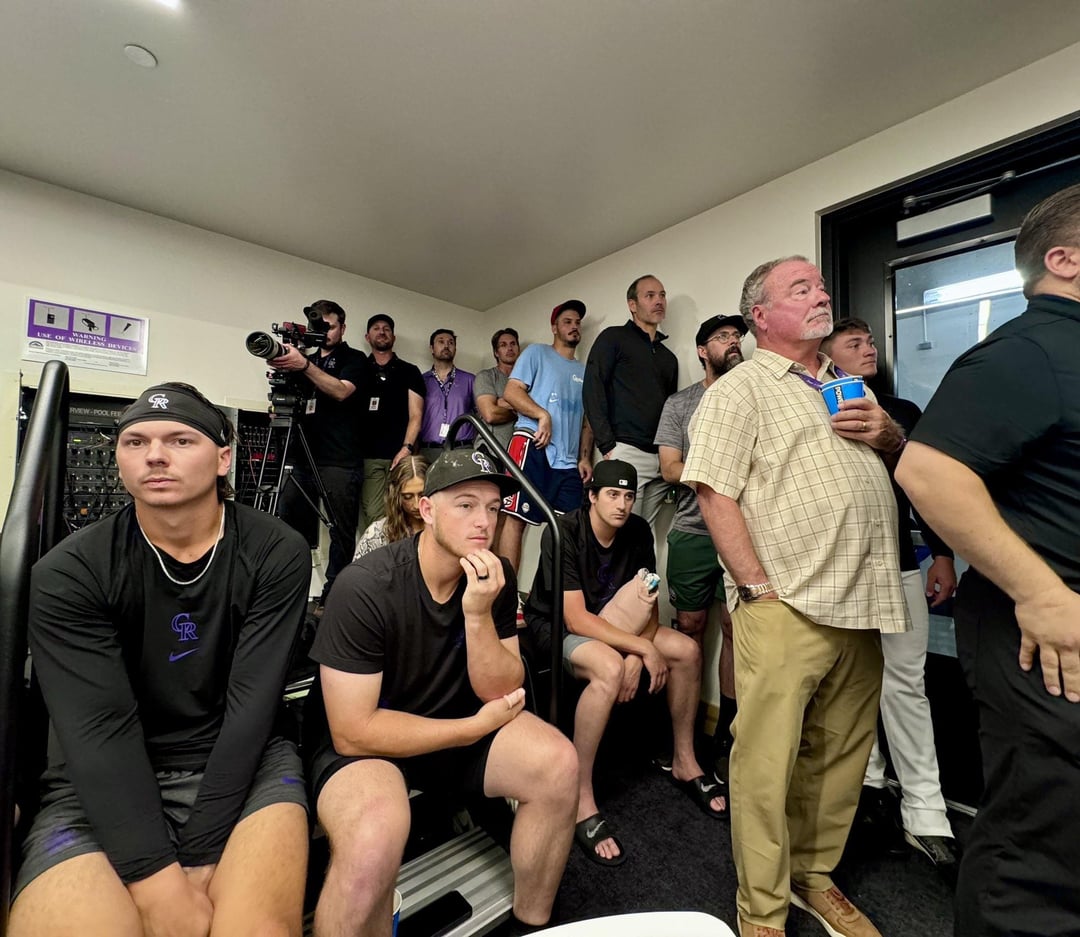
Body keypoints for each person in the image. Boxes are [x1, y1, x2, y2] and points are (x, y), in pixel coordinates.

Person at [10, 382, 311, 937]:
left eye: (179, 439)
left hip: (238, 765)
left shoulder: (276, 551)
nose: (154, 454)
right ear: (120, 460)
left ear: (224, 458)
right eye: (135, 441)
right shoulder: (69, 572)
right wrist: (158, 882)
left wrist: (198, 857)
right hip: (102, 779)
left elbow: (252, 707)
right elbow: (100, 729)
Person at [683, 256, 908, 937]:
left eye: (820, 286)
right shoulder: (740, 388)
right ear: (760, 314)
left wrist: (888, 432)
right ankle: (762, 911)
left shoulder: (846, 384)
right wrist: (757, 586)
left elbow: (893, 459)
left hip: (863, 603)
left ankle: (813, 875)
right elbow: (713, 491)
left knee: (839, 758)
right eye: (800, 288)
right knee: (765, 765)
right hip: (787, 605)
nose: (821, 295)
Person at [896, 183, 1080, 937]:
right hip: (1044, 625)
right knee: (1042, 843)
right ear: (1063, 259)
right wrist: (1041, 592)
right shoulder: (1030, 349)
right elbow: (928, 471)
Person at [304, 449, 578, 936]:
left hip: (455, 724)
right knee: (372, 840)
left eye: (493, 508)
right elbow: (352, 732)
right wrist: (471, 728)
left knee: (558, 764)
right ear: (426, 511)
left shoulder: (494, 574)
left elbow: (502, 686)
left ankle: (533, 922)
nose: (484, 522)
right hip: (372, 745)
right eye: (466, 505)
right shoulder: (365, 587)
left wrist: (477, 614)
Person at [524, 459, 726, 870]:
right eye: (612, 495)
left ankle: (685, 760)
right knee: (608, 668)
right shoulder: (564, 532)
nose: (621, 504)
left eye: (629, 496)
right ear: (593, 496)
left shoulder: (637, 531)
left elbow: (648, 599)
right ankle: (579, 796)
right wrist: (633, 650)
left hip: (620, 624)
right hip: (558, 627)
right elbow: (577, 618)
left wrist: (639, 650)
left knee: (686, 651)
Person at [821, 317, 961, 878]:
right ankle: (868, 792)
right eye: (854, 344)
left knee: (907, 684)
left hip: (903, 565)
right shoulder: (815, 413)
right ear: (829, 358)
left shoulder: (901, 415)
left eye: (870, 343)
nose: (868, 349)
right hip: (843, 573)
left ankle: (926, 816)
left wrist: (943, 553)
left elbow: (926, 486)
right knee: (850, 688)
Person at [653, 315, 745, 782]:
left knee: (736, 628)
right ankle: (681, 737)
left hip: (746, 534)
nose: (733, 343)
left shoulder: (754, 396)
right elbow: (670, 468)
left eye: (737, 337)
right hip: (693, 531)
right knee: (689, 628)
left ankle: (727, 731)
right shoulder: (681, 403)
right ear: (701, 350)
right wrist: (727, 472)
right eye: (722, 338)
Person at [270, 299, 369, 606]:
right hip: (300, 455)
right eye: (319, 326)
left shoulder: (356, 358)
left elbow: (341, 391)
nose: (324, 332)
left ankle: (333, 597)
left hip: (339, 459)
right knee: (290, 526)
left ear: (343, 328)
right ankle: (287, 591)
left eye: (331, 326)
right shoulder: (305, 358)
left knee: (340, 532)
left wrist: (304, 365)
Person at [500, 300, 594, 571]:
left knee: (567, 531)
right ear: (554, 327)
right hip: (532, 445)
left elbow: (588, 421)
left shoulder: (584, 371)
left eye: (577, 322)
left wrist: (585, 458)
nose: (574, 326)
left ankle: (553, 600)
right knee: (516, 519)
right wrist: (543, 415)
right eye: (568, 321)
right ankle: (508, 599)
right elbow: (512, 392)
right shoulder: (536, 353)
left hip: (567, 461)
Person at [583, 275, 678, 523]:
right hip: (624, 450)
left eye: (662, 295)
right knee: (617, 534)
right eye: (650, 295)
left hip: (660, 458)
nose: (659, 301)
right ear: (632, 304)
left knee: (642, 537)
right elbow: (593, 389)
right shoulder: (613, 338)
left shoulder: (669, 358)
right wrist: (607, 446)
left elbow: (671, 410)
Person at [357, 313, 426, 527]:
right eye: (376, 328)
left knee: (408, 512)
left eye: (386, 328)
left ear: (393, 337)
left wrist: (406, 448)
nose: (382, 332)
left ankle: (405, 557)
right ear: (368, 337)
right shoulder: (358, 368)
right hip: (369, 456)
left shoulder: (409, 371)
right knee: (373, 514)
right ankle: (378, 559)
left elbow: (416, 415)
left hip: (402, 455)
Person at [353, 455, 429, 559]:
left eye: (422, 495)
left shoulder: (447, 527)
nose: (416, 505)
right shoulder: (377, 534)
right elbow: (358, 573)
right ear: (395, 495)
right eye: (407, 497)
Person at [419, 329, 476, 464]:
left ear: (455, 349)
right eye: (441, 342)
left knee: (464, 486)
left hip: (462, 449)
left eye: (451, 343)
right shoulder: (421, 381)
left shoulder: (470, 380)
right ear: (432, 348)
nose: (446, 346)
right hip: (429, 451)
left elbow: (482, 414)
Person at [474, 327, 521, 452]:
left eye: (513, 344)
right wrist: (524, 408)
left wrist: (502, 402)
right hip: (491, 450)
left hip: (520, 451)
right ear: (496, 352)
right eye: (503, 345)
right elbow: (490, 415)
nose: (510, 348)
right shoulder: (486, 376)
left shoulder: (527, 379)